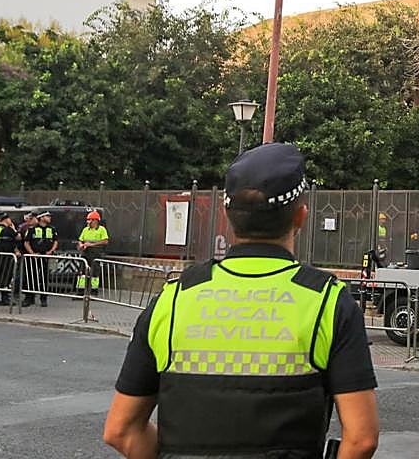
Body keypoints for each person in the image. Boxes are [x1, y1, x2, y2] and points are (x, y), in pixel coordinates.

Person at [103, 142, 380, 459]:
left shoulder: (174, 297)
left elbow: (120, 430)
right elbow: (361, 439)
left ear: (227, 215)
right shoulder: (327, 301)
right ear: (301, 217)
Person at [25, 211, 58, 306]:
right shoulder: (32, 229)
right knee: (31, 277)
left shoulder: (52, 229)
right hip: (34, 257)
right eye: (47, 216)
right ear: (41, 217)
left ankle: (43, 298)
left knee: (44, 278)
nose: (50, 218)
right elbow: (26, 242)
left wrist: (51, 251)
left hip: (45, 256)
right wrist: (32, 253)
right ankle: (29, 298)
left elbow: (55, 241)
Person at [76, 210, 109, 297]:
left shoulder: (102, 229)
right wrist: (81, 245)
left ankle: (94, 291)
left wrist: (92, 244)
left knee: (95, 272)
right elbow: (80, 240)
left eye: (89, 220)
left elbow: (105, 241)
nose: (88, 222)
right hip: (86, 252)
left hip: (96, 252)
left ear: (95, 221)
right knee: (82, 271)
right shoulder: (85, 229)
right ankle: (80, 291)